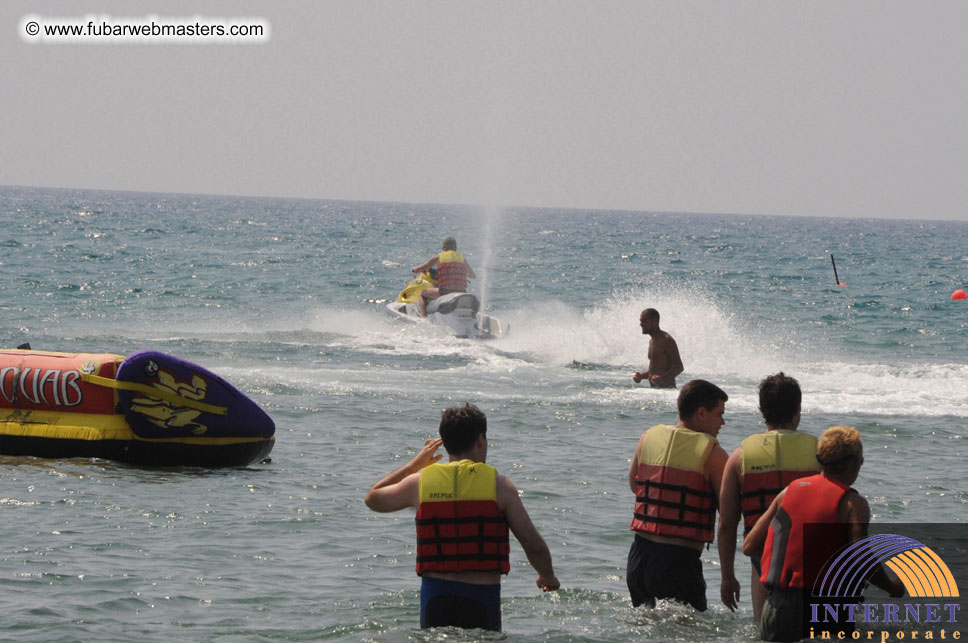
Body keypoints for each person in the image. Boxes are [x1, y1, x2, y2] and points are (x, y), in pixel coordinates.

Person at [364, 403, 559, 631]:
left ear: (445, 443)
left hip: (435, 600)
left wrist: (415, 465)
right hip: (480, 600)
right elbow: (532, 543)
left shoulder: (419, 484)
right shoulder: (500, 487)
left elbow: (372, 498)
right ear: (480, 440)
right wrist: (547, 576)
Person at [743, 426, 904, 642]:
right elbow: (861, 558)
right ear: (855, 463)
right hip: (826, 611)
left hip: (777, 608)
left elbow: (750, 546)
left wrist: (786, 570)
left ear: (820, 461)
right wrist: (892, 587)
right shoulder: (852, 504)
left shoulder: (788, 492)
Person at [718, 373, 818, 621]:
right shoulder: (820, 453)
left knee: (765, 631)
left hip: (763, 560)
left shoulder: (739, 458)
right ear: (798, 410)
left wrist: (727, 577)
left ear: (761, 409)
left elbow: (727, 524)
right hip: (811, 562)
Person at [627, 379, 729, 611]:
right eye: (719, 414)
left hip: (638, 560)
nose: (723, 422)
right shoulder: (713, 454)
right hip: (678, 564)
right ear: (701, 414)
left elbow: (635, 485)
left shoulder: (648, 438)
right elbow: (729, 515)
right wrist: (728, 576)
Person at [412, 236, 477, 317]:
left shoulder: (439, 257)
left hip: (445, 292)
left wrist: (415, 269)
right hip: (462, 292)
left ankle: (424, 319)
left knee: (422, 294)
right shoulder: (462, 258)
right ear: (455, 248)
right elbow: (473, 275)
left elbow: (423, 267)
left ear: (443, 248)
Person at [632, 308, 684, 389]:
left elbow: (679, 367)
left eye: (644, 321)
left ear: (655, 322)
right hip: (656, 391)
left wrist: (662, 379)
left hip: (667, 390)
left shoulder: (666, 339)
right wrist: (641, 376)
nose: (641, 324)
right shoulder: (652, 341)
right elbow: (656, 370)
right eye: (641, 321)